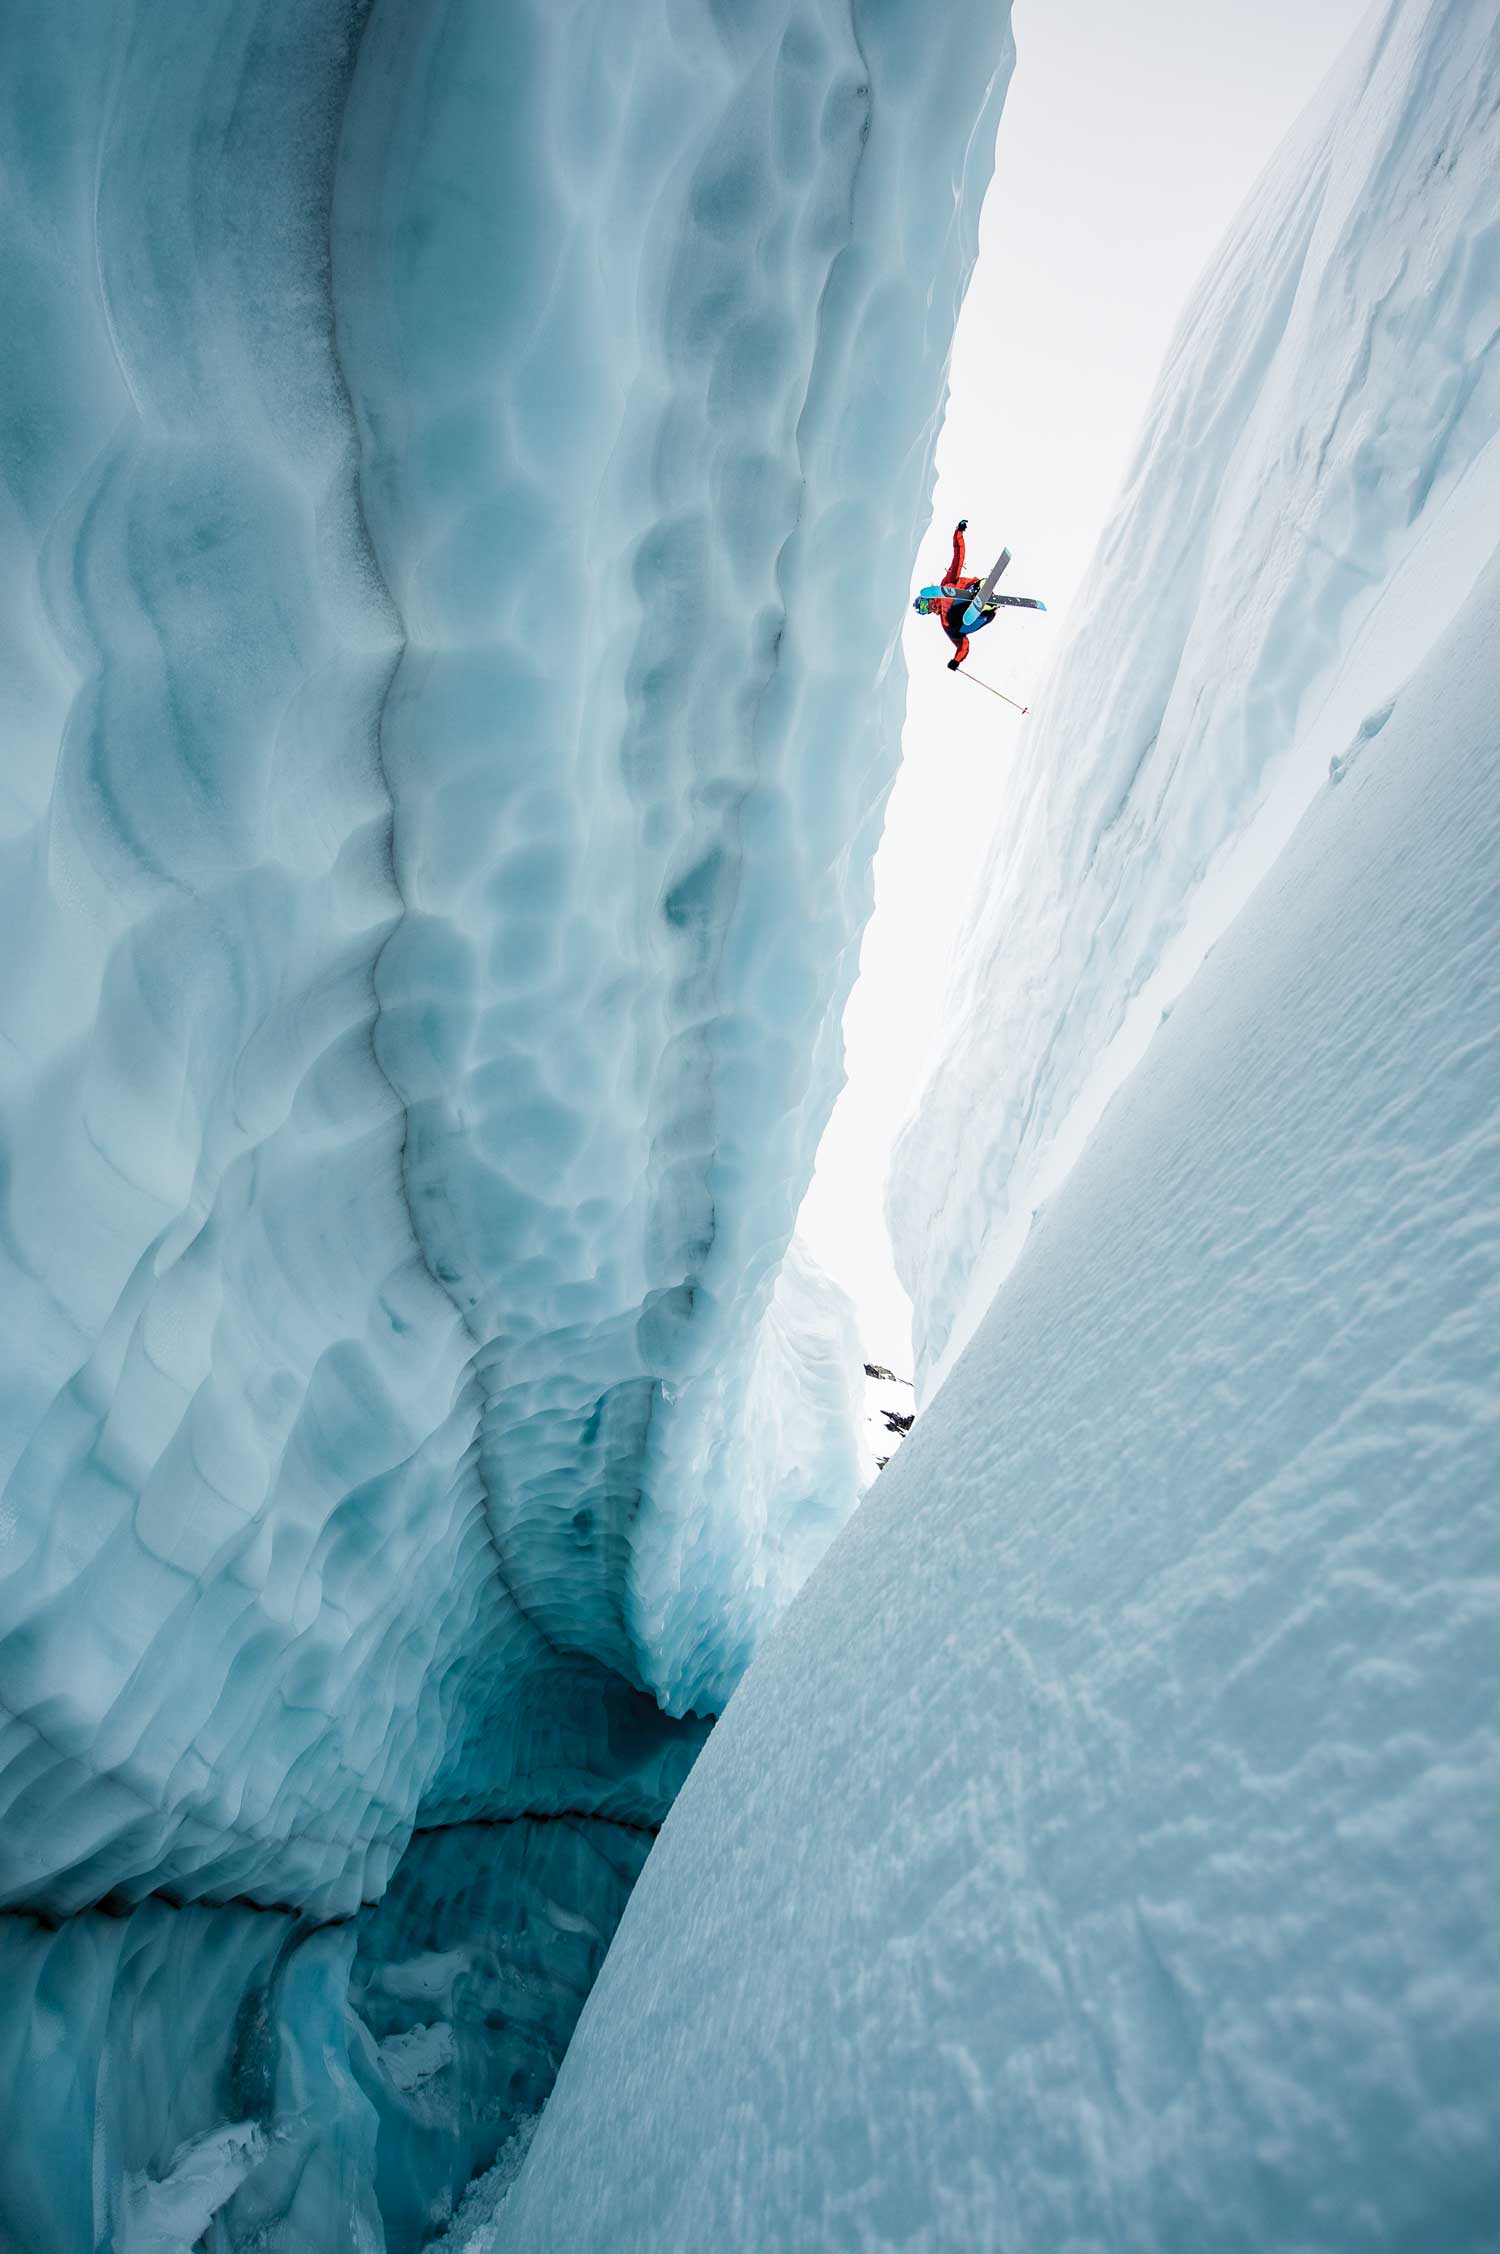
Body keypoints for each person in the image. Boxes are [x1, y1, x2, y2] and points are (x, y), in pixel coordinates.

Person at [912, 521, 1038, 670]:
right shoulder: (945, 623)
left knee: (952, 614)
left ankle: (981, 591)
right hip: (982, 616)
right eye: (926, 610)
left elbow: (957, 559)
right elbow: (963, 645)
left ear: (928, 597)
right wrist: (956, 660)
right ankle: (985, 607)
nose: (930, 607)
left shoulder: (946, 584)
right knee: (953, 628)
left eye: (925, 604)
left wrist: (958, 534)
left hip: (972, 591)